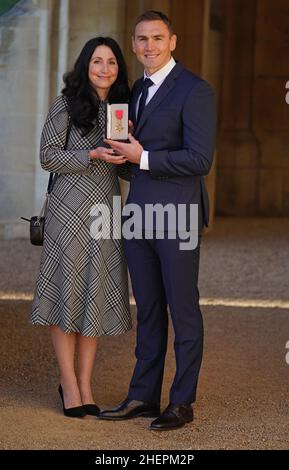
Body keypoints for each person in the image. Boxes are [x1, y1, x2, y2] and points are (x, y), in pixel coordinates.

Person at [97, 11, 216, 430]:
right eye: (142, 39)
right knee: (148, 309)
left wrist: (141, 156)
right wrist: (123, 153)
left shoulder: (195, 91)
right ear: (133, 44)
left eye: (158, 38)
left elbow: (200, 159)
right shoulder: (134, 92)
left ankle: (181, 402)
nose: (150, 45)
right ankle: (143, 396)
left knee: (182, 309)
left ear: (173, 41)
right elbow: (137, 160)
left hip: (179, 213)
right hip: (139, 212)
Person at [31, 37, 132, 418]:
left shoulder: (122, 107)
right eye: (97, 62)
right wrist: (88, 154)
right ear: (84, 65)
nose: (104, 69)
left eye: (111, 62)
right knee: (65, 291)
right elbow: (46, 156)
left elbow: (123, 169)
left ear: (119, 68)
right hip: (67, 210)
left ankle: (86, 383)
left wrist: (130, 150)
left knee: (93, 292)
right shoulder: (66, 102)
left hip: (105, 209)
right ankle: (68, 384)